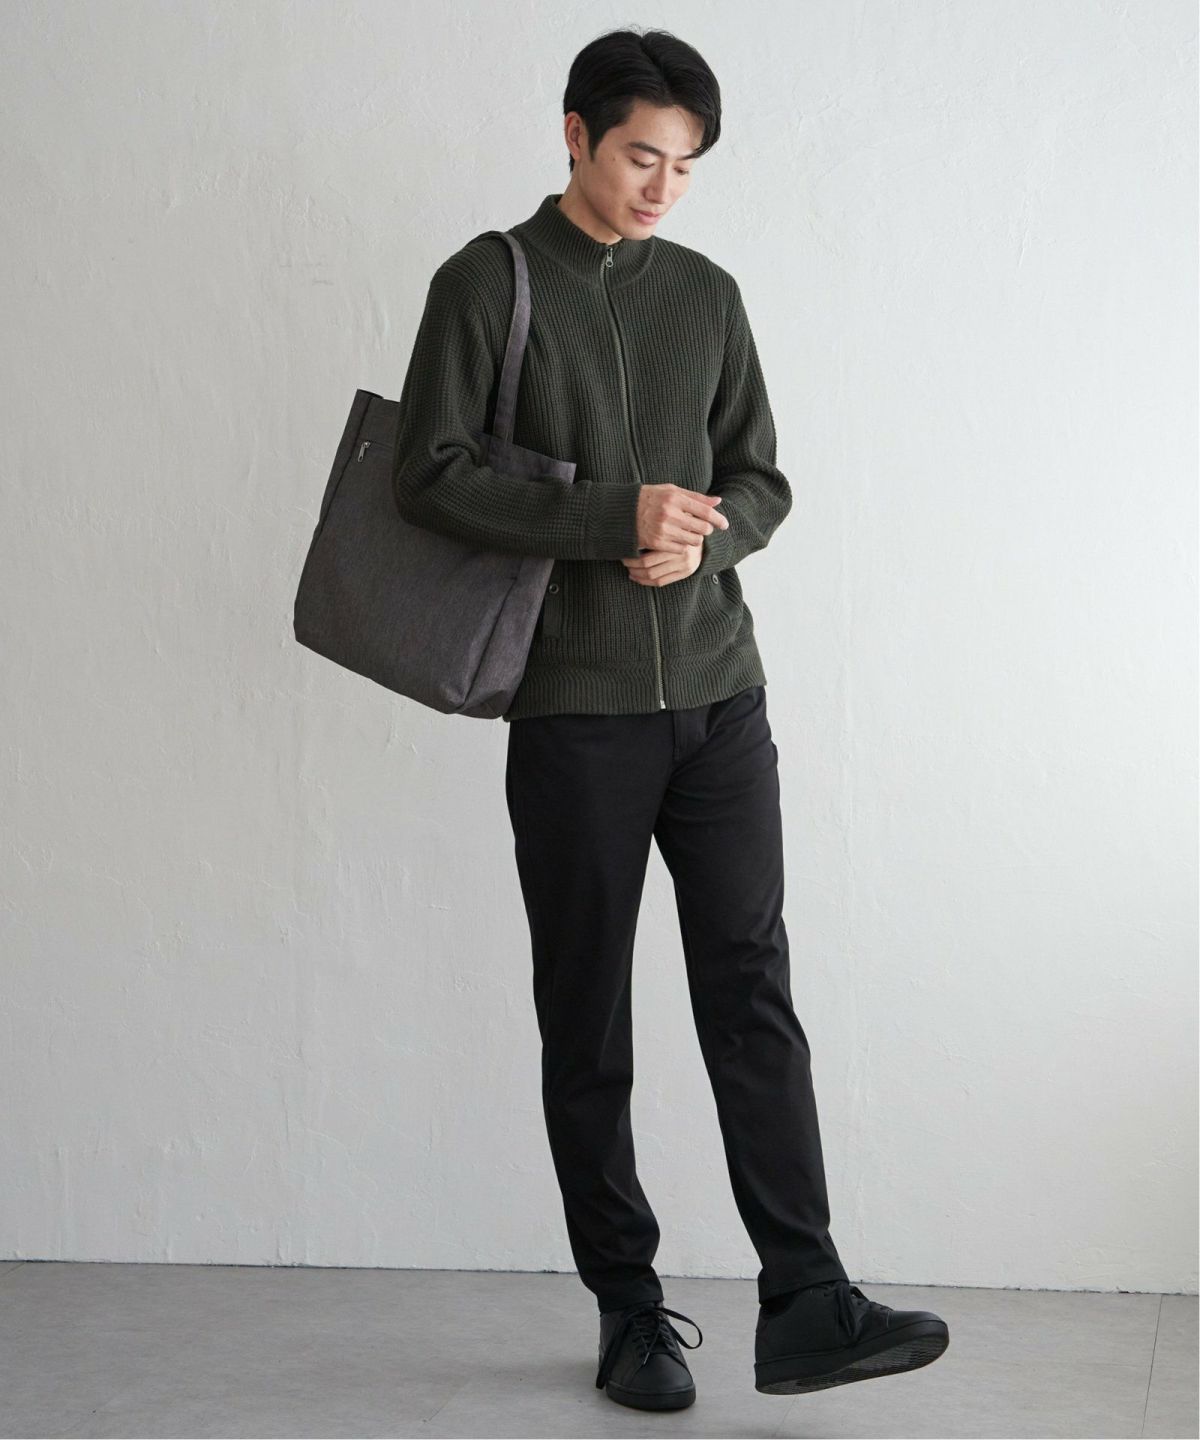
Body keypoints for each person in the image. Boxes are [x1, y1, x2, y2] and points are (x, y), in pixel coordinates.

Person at [393, 25, 949, 1412]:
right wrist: (613, 518)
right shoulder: (487, 282)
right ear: (575, 134)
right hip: (575, 711)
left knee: (753, 992)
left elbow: (761, 477)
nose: (662, 187)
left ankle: (808, 1297)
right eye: (642, 156)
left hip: (719, 696)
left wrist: (706, 539)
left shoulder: (705, 294)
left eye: (686, 166)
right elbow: (428, 474)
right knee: (589, 1016)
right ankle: (629, 1312)